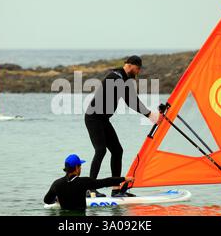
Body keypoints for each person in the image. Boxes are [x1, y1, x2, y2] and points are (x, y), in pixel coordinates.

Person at [84, 55, 159, 198]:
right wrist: (150, 115)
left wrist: (150, 114)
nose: (137, 73)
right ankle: (90, 189)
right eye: (137, 69)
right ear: (130, 65)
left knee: (117, 151)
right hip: (93, 118)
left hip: (103, 120)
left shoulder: (122, 78)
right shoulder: (115, 77)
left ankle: (115, 189)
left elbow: (131, 100)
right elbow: (130, 100)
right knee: (100, 150)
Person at [44, 154, 134, 211]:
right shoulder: (84, 182)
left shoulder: (57, 184)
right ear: (76, 168)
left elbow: (47, 200)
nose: (80, 169)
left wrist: (57, 199)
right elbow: (105, 182)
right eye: (80, 166)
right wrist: (124, 178)